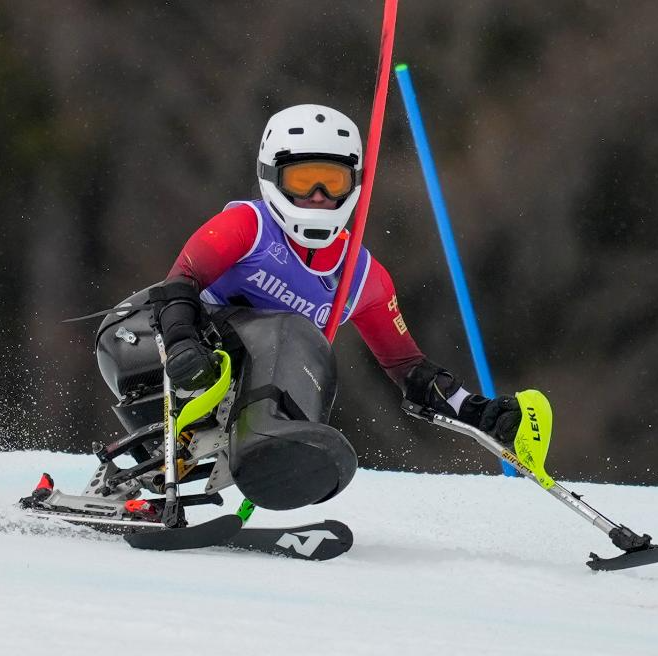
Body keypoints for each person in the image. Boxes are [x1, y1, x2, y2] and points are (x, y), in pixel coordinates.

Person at [107, 104, 527, 511]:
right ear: (272, 176)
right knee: (290, 331)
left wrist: (479, 413)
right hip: (148, 343)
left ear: (354, 184)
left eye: (332, 183)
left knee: (313, 356)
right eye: (304, 181)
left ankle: (276, 448)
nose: (319, 198)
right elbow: (178, 285)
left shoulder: (363, 277)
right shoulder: (249, 227)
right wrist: (181, 344)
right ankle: (269, 439)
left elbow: (410, 371)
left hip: (228, 392)